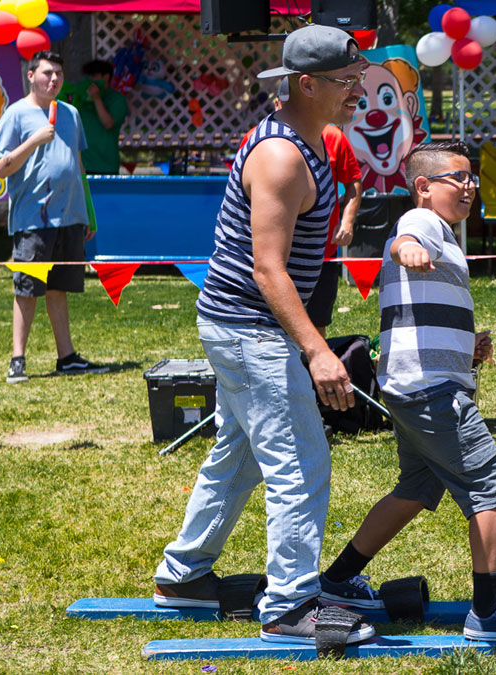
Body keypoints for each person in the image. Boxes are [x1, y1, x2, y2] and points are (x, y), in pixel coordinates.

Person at [151, 25, 373, 646]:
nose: (359, 89)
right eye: (347, 81)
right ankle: (290, 608)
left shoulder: (308, 140)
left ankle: (183, 573)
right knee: (300, 463)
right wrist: (317, 349)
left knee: (240, 455)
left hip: (242, 326)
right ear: (307, 84)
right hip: (253, 329)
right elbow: (267, 267)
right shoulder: (280, 156)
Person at [317, 142, 496, 644]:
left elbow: (421, 314)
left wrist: (467, 348)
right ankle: (487, 616)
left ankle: (337, 581)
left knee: (415, 489)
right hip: (432, 393)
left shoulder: (444, 236)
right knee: (491, 487)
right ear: (424, 188)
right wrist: (405, 247)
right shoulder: (422, 224)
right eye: (459, 177)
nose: (470, 186)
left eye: (472, 178)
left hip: (414, 385)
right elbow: (404, 237)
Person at [0, 51, 107, 384]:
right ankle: (17, 359)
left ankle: (66, 357)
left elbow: (78, 167)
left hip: (69, 216)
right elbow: (1, 168)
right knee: (27, 288)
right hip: (32, 218)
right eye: (46, 73)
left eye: (58, 73)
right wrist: (34, 140)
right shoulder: (16, 114)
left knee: (59, 289)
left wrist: (88, 214)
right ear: (31, 76)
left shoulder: (70, 113)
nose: (53, 79)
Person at [241, 79, 364, 334]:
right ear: (277, 104)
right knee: (271, 324)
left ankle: (310, 368)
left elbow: (353, 182)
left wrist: (347, 221)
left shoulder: (334, 137)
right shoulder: (258, 139)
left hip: (322, 251)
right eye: (285, 106)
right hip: (273, 254)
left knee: (317, 323)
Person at [69, 59, 128, 175]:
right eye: (87, 76)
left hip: (106, 166)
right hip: (82, 165)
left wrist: (96, 98)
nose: (89, 80)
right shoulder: (80, 98)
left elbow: (108, 124)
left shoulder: (117, 99)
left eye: (94, 75)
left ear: (106, 77)